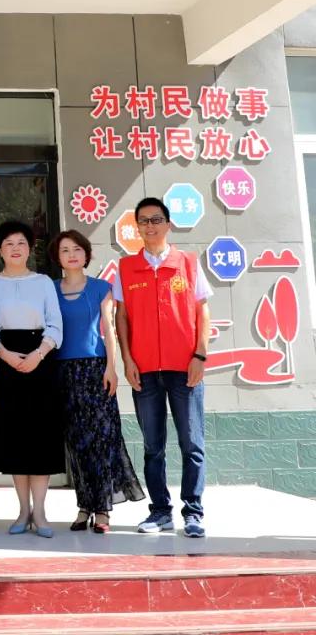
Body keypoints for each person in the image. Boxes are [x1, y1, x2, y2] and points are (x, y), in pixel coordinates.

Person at [115, 197, 212, 538]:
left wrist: (200, 355)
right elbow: (121, 317)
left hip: (185, 368)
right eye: (143, 221)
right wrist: (127, 360)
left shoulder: (188, 263)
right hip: (144, 371)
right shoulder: (126, 268)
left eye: (156, 219)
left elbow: (202, 311)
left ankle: (193, 512)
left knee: (192, 444)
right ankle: (159, 512)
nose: (150, 226)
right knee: (153, 447)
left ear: (168, 224)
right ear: (137, 228)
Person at [50, 230, 145, 535]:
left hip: (95, 369)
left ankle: (102, 509)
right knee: (77, 442)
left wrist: (111, 368)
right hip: (63, 370)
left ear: (86, 254)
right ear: (57, 257)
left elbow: (109, 329)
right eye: (65, 250)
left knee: (102, 439)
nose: (72, 255)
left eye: (77, 249)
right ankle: (84, 506)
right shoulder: (49, 290)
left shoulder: (102, 287)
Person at [0, 220, 63, 539]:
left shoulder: (43, 282)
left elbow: (55, 324)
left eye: (21, 243)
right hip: (4, 361)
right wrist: (6, 355)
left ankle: (40, 511)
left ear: (30, 249)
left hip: (41, 361)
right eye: (9, 244)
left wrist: (39, 354)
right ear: (0, 251)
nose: (15, 249)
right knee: (14, 436)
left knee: (41, 437)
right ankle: (22, 510)